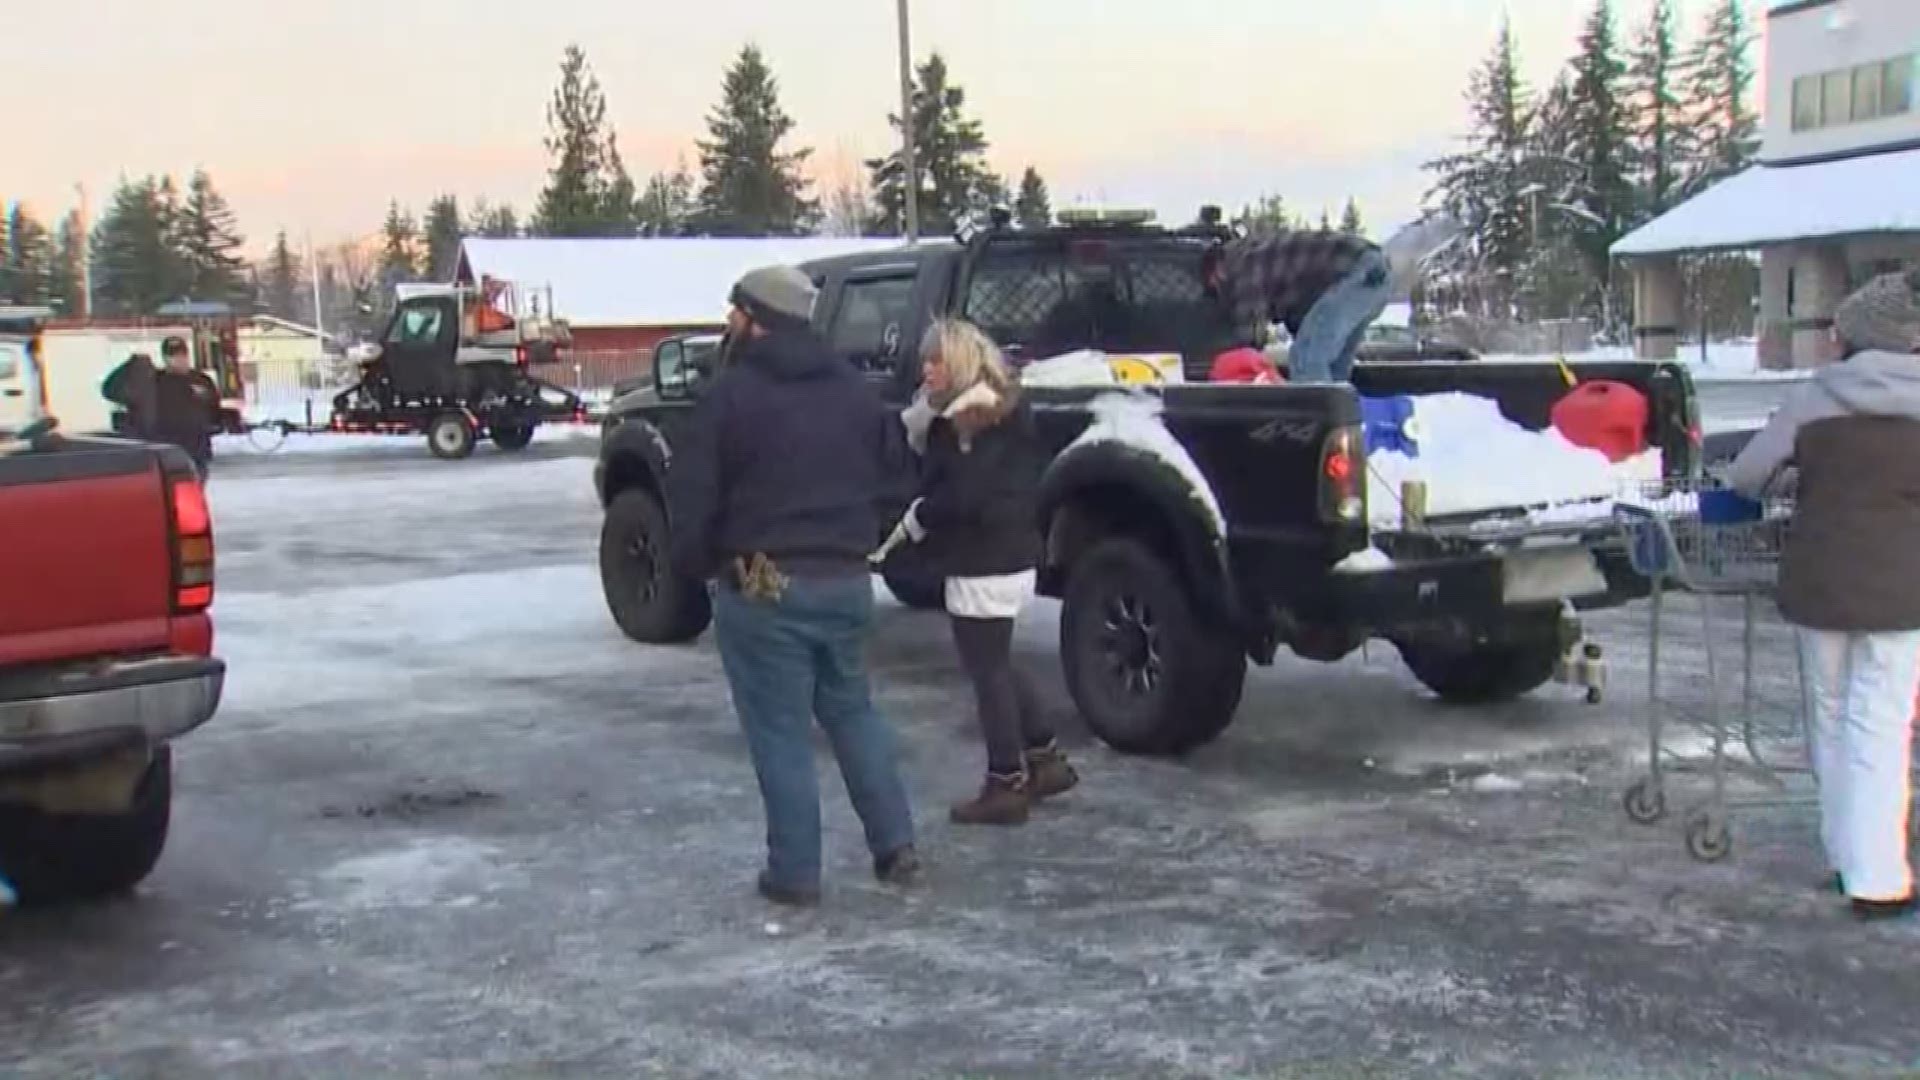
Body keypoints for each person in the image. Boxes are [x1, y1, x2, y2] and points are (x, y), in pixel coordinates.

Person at [666, 264, 919, 907]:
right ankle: (896, 844)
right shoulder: (856, 393)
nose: (728, 324)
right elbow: (895, 477)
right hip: (845, 580)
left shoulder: (731, 395)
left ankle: (795, 872)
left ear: (758, 320)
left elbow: (694, 496)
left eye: (735, 312)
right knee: (852, 711)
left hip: (763, 584)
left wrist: (698, 565)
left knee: (778, 731)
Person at [1727, 269, 1920, 922]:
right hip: (1903, 590)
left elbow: (1749, 475)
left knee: (1830, 714)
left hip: (1820, 580)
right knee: (1882, 724)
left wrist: (1801, 484)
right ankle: (1878, 876)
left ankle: (1846, 855)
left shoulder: (1816, 397)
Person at [875, 319, 1078, 826]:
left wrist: (922, 516)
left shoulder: (965, 421)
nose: (927, 370)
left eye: (937, 360)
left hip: (982, 557)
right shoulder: (1003, 408)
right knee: (998, 661)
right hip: (1011, 552)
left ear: (962, 361)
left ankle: (1006, 782)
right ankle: (1044, 759)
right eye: (925, 360)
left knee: (985, 669)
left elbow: (964, 495)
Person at [1205, 227, 1391, 383]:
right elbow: (1303, 318)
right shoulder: (1269, 258)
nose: (1220, 293)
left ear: (1218, 269)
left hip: (1353, 271)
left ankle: (1317, 422)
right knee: (1335, 367)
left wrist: (1229, 360)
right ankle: (1343, 422)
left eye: (1214, 286)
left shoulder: (1243, 264)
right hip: (1374, 275)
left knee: (1307, 360)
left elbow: (1248, 336)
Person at [152, 336, 220, 476]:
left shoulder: (201, 380)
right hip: (168, 449)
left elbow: (214, 408)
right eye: (172, 356)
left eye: (181, 355)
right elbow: (113, 391)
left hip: (197, 448)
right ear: (164, 358)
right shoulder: (155, 381)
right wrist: (134, 364)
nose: (177, 360)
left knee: (195, 488)